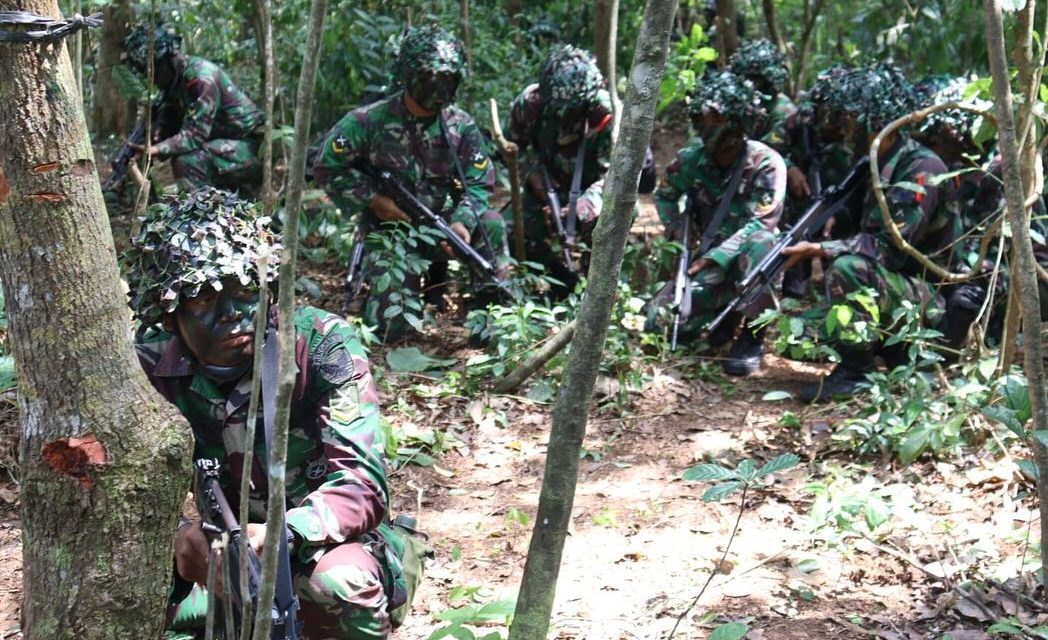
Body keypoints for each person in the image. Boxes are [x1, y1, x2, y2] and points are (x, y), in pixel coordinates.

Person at [123, 188, 406, 639]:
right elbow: (123, 497)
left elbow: (363, 486)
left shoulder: (318, 343)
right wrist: (179, 537)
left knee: (342, 585)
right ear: (170, 314)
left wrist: (282, 532)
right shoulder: (146, 368)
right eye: (203, 299)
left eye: (244, 291)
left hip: (320, 544)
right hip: (217, 557)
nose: (231, 314)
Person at [313, 25, 506, 337]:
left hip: (441, 225)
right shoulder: (368, 121)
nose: (439, 86)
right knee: (392, 328)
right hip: (390, 230)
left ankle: (491, 318)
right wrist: (374, 200)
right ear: (409, 75)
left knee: (492, 223)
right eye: (431, 77)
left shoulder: (461, 127)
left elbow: (479, 182)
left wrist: (462, 223)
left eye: (447, 78)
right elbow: (326, 168)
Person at [781, 64, 955, 402]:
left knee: (848, 268)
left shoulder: (921, 167)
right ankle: (888, 349)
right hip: (893, 289)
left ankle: (856, 374)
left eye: (850, 119)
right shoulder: (872, 162)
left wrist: (820, 248)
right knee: (796, 339)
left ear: (875, 123)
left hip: (929, 299)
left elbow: (891, 248)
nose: (844, 129)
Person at [650, 70, 788, 376]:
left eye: (714, 118)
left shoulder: (766, 163)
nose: (705, 124)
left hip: (744, 262)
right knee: (660, 323)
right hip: (706, 264)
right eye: (702, 117)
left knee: (765, 243)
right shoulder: (690, 160)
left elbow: (763, 222)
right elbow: (665, 197)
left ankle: (752, 335)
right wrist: (677, 228)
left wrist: (714, 258)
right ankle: (724, 316)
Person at [506, 44, 614, 298]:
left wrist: (586, 204)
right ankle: (560, 282)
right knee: (509, 229)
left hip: (590, 192)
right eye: (560, 107)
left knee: (612, 220)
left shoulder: (603, 112)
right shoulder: (530, 104)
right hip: (543, 188)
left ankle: (596, 289)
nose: (566, 114)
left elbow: (616, 175)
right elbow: (510, 149)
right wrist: (533, 179)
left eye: (574, 108)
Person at [121, 22, 265, 194]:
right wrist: (160, 129)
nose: (152, 78)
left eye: (155, 69)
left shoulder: (202, 78)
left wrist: (156, 150)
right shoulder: (174, 83)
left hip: (252, 148)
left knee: (187, 161)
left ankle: (204, 208)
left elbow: (195, 135)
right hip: (225, 146)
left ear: (168, 59)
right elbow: (173, 115)